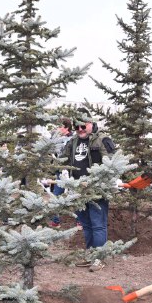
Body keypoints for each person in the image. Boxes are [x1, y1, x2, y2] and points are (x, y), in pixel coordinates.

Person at [62, 112, 116, 271]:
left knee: (98, 224)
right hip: (78, 190)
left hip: (97, 189)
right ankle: (91, 255)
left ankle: (99, 259)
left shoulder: (102, 140)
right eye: (77, 126)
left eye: (83, 126)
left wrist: (97, 180)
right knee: (86, 225)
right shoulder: (72, 142)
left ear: (91, 123)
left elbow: (111, 162)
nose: (80, 129)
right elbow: (62, 160)